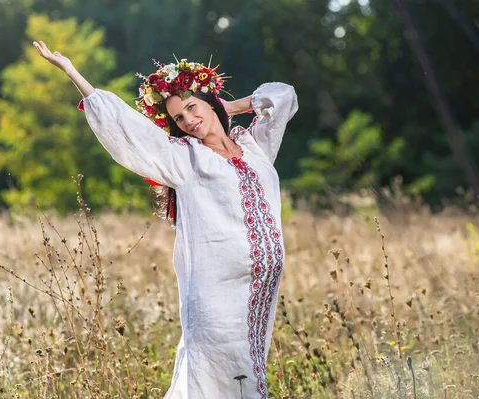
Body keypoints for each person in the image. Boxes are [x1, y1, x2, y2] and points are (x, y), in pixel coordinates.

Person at [33, 40, 298, 399]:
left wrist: (229, 107)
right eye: (179, 118)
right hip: (215, 294)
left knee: (246, 372)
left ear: (208, 100)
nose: (189, 121)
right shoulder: (183, 159)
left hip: (255, 294)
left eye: (192, 108)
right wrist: (71, 71)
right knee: (213, 377)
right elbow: (125, 126)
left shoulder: (253, 147)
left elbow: (282, 97)